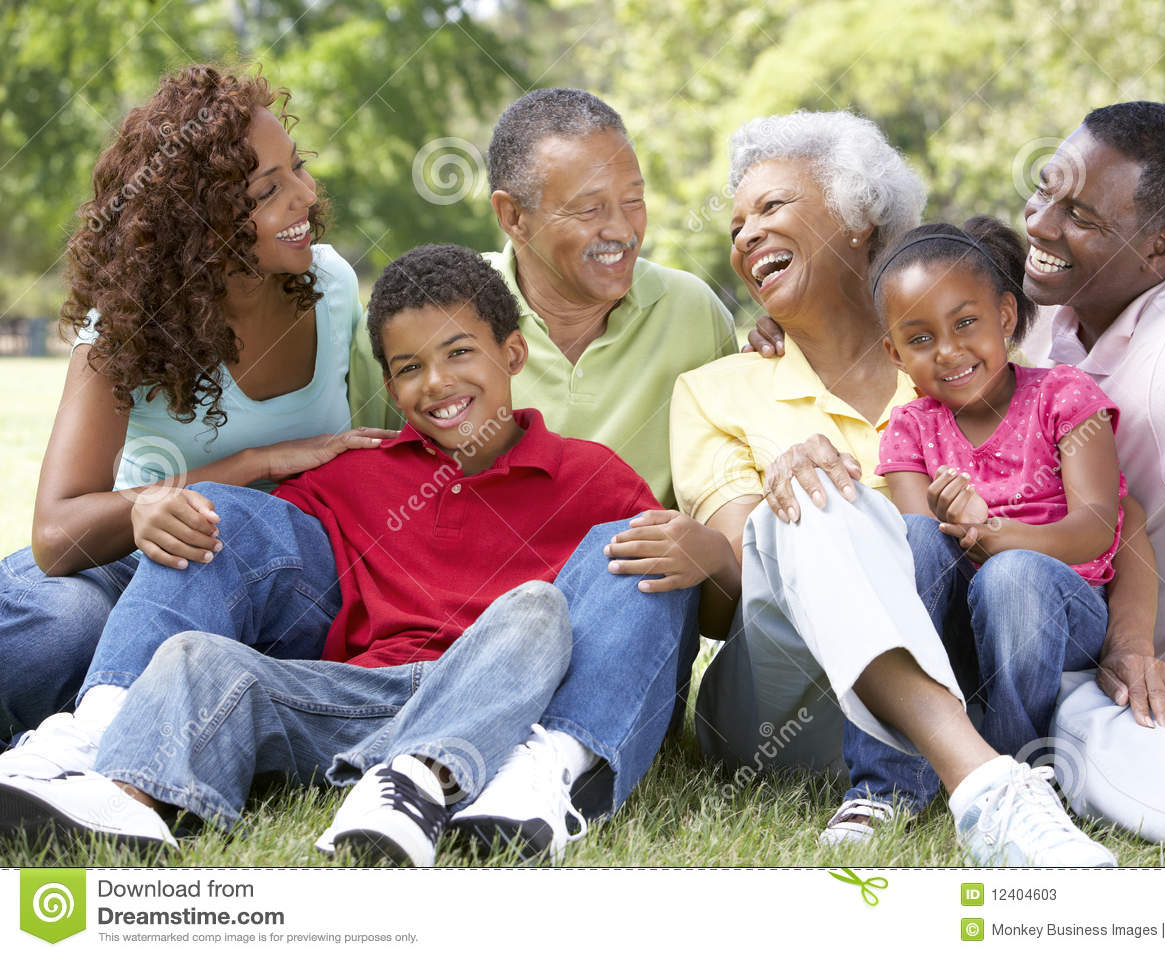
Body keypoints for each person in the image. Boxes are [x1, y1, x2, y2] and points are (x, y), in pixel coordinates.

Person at [0, 244, 716, 865]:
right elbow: (245, 552)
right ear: (391, 383)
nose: (436, 384)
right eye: (409, 367)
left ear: (513, 353)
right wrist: (171, 496)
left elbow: (662, 621)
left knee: (610, 566)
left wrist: (706, 545)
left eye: (460, 351)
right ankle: (120, 779)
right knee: (203, 601)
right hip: (357, 703)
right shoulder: (358, 474)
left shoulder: (590, 475)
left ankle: (535, 780)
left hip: (520, 716)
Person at [749, 102, 1165, 864]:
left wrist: (1002, 540)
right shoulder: (1048, 313)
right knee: (893, 535)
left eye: (1078, 214)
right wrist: (791, 319)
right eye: (1045, 191)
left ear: (1159, 246)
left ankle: (1051, 778)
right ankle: (911, 779)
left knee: (1025, 598)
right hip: (990, 632)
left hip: (1103, 643)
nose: (1040, 223)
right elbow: (939, 287)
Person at [665, 110, 1115, 865]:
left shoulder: (968, 363)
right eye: (736, 223)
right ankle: (983, 780)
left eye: (772, 207)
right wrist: (800, 481)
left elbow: (1102, 516)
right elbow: (746, 581)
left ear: (859, 218)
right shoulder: (717, 388)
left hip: (971, 682)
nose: (744, 234)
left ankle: (973, 767)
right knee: (817, 492)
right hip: (789, 702)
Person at [0, 65, 395, 748]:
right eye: (270, 191)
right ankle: (86, 723)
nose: (305, 196)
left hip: (267, 579)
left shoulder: (331, 287)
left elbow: (378, 450)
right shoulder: (129, 324)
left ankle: (91, 724)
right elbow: (57, 533)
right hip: (125, 562)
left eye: (296, 169)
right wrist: (247, 464)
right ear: (202, 227)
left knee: (184, 648)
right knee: (58, 626)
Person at [349, 88, 737, 509]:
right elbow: (368, 484)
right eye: (589, 210)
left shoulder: (693, 312)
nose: (622, 231)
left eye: (633, 201)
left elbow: (735, 472)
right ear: (513, 216)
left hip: (638, 571)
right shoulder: (418, 319)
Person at [870, 216, 1127, 768]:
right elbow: (923, 551)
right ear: (894, 354)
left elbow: (1099, 524)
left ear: (1005, 316)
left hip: (1061, 612)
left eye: (966, 323)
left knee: (1012, 574)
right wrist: (956, 521)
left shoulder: (1062, 395)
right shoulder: (910, 428)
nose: (947, 350)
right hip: (965, 623)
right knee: (909, 535)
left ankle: (1016, 767)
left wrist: (1004, 537)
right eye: (919, 339)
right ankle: (895, 776)